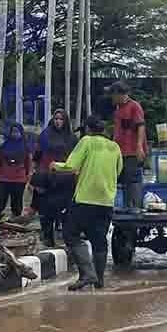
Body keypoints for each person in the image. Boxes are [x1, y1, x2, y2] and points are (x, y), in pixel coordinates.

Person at [53, 115, 123, 291]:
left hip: (85, 199)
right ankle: (99, 280)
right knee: (99, 240)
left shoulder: (87, 141)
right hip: (106, 200)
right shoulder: (114, 147)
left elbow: (72, 165)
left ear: (88, 129)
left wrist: (55, 165)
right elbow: (118, 169)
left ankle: (87, 273)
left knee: (71, 233)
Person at [31, 109, 78, 246]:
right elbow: (37, 156)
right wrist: (33, 176)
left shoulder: (71, 138)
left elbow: (76, 158)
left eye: (61, 119)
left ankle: (68, 240)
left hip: (66, 179)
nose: (58, 122)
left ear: (66, 121)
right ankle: (47, 238)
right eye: (56, 119)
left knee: (66, 211)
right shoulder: (45, 136)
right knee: (45, 209)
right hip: (47, 177)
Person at [109, 81, 147, 208]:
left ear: (119, 94)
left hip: (131, 152)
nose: (112, 98)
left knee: (132, 180)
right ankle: (126, 207)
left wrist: (139, 147)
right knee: (124, 180)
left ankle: (135, 208)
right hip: (121, 152)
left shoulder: (134, 107)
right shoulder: (118, 109)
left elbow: (140, 126)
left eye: (113, 95)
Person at [0, 122, 31, 220]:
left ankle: (15, 219)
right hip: (3, 178)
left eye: (17, 132)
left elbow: (28, 164)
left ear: (21, 133)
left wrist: (28, 178)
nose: (15, 134)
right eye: (13, 132)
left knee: (17, 202)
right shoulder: (4, 146)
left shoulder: (25, 147)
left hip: (19, 179)